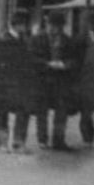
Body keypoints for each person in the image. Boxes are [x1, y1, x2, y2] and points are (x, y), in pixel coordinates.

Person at [0, 9, 44, 154]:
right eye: (25, 25)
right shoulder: (0, 42)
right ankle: (3, 143)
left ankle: (19, 144)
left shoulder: (25, 41)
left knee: (23, 113)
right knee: (2, 114)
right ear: (18, 25)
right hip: (4, 86)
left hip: (22, 85)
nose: (26, 28)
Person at [31, 11, 83, 150]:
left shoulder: (68, 40)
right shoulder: (37, 39)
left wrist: (65, 65)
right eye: (51, 25)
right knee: (41, 112)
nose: (53, 29)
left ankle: (58, 140)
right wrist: (47, 64)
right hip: (42, 80)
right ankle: (42, 140)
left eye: (56, 26)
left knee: (62, 112)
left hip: (61, 81)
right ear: (46, 24)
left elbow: (75, 60)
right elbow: (32, 59)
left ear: (61, 26)